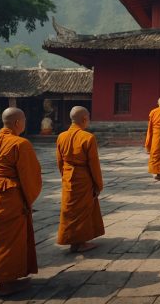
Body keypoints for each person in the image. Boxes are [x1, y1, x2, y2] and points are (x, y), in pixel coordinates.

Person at [0, 107, 42, 297]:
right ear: (18, 123)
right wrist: (28, 199)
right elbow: (30, 176)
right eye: (24, 121)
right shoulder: (20, 144)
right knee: (10, 241)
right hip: (11, 197)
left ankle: (1, 276)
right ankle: (7, 283)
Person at [56, 106, 104, 252]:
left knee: (70, 209)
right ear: (84, 119)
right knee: (83, 209)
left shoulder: (61, 136)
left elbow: (59, 162)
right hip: (83, 178)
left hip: (68, 176)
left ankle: (73, 240)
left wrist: (65, 176)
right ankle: (81, 242)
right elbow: (93, 164)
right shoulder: (88, 138)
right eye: (88, 117)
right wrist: (98, 185)